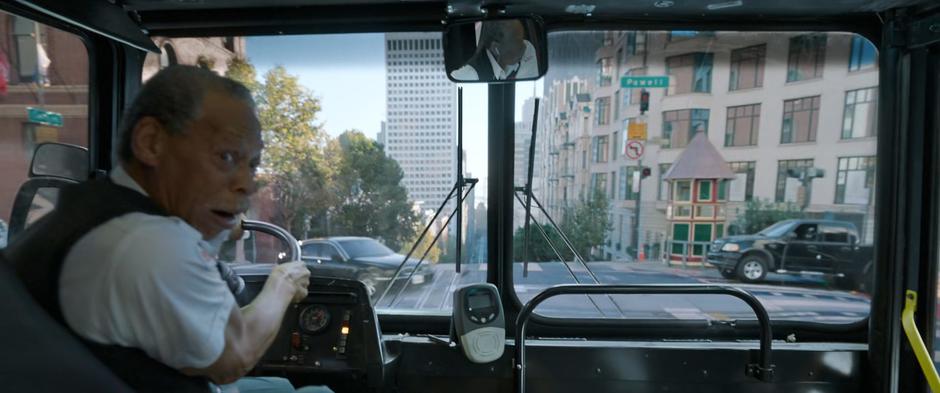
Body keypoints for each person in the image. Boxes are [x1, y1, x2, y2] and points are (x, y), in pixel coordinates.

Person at [4, 65, 325, 392]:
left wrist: (215, 227)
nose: (247, 184)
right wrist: (283, 283)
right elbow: (234, 357)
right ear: (151, 143)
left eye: (252, 164)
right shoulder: (148, 242)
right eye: (226, 156)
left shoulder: (97, 214)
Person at [450, 19, 539, 81]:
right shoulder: (468, 76)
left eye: (522, 39)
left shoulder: (528, 50)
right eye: (516, 41)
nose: (523, 46)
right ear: (496, 47)